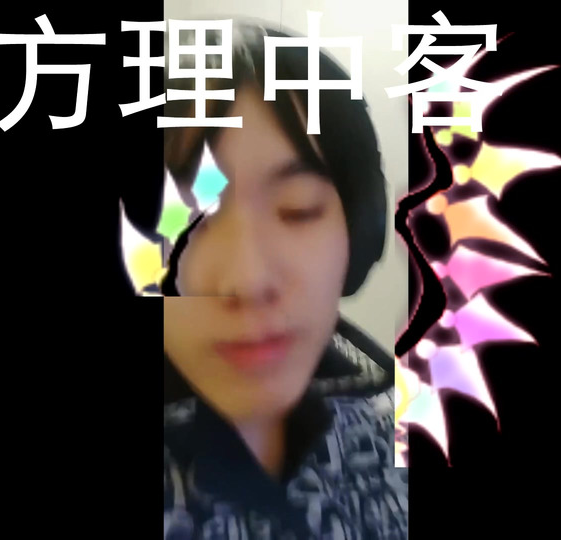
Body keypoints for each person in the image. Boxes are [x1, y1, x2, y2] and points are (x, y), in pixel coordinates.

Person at [162, 21, 407, 539]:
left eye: (298, 209)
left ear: (357, 232)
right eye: (183, 218)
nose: (249, 280)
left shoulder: (399, 428)